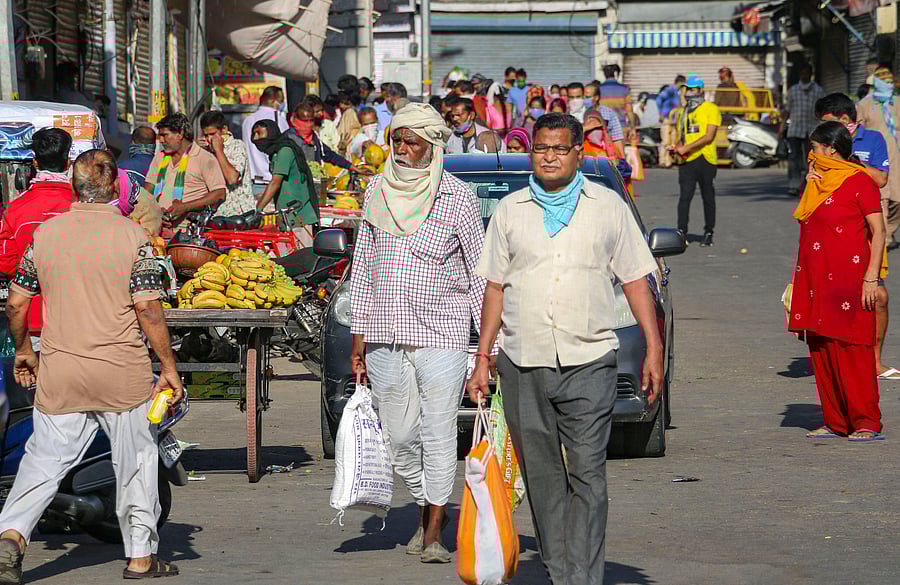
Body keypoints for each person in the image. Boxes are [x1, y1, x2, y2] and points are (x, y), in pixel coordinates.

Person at [467, 112, 662, 585]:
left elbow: (637, 278)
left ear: (579, 153)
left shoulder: (607, 207)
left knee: (589, 471)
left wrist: (654, 348)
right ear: (530, 152)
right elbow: (495, 287)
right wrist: (483, 356)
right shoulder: (511, 210)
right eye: (541, 148)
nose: (549, 156)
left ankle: (585, 576)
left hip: (590, 358)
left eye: (559, 148)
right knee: (543, 475)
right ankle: (560, 572)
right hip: (523, 361)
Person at [0, 149, 183, 583]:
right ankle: (140, 558)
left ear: (73, 186)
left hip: (62, 368)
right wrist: (169, 367)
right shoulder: (132, 237)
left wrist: (24, 350)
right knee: (136, 460)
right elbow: (149, 311)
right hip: (122, 371)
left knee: (43, 460)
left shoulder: (46, 235)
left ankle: (11, 536)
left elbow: (17, 301)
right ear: (116, 186)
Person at [349, 102, 489, 564]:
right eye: (397, 141)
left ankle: (432, 528)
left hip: (442, 333)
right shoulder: (375, 190)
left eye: (413, 142)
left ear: (433, 146)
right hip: (384, 332)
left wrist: (487, 351)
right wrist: (358, 340)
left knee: (438, 429)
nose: (403, 150)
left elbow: (479, 275)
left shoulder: (458, 197)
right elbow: (362, 268)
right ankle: (431, 501)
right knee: (400, 436)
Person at [789, 121, 886, 441]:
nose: (811, 155)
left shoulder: (859, 181)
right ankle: (835, 420)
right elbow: (805, 220)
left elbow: (879, 230)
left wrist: (871, 277)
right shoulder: (817, 182)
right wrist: (812, 185)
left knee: (853, 348)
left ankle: (866, 421)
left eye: (815, 149)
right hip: (817, 278)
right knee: (822, 346)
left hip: (851, 279)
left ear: (831, 150)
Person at [0, 128, 75, 343]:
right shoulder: (83, 207)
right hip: (80, 320)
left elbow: (6, 264)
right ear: (68, 163)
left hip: (32, 320)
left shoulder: (15, 209)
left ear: (35, 163)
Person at [143, 113, 226, 230]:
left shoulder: (204, 158)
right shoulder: (160, 157)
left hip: (188, 231)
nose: (160, 140)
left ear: (180, 134)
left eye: (164, 135)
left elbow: (219, 194)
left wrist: (185, 207)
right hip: (157, 227)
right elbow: (148, 189)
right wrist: (154, 210)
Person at [251, 120, 319, 248]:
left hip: (298, 216)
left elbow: (275, 183)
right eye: (254, 134)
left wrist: (258, 209)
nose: (255, 138)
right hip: (286, 216)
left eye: (259, 133)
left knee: (301, 258)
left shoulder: (285, 151)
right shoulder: (276, 153)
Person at [672, 75, 721, 246]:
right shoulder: (684, 111)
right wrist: (676, 147)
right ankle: (681, 232)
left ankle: (708, 232)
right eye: (687, 89)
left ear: (700, 90)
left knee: (708, 196)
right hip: (687, 160)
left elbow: (709, 136)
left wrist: (687, 147)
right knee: (685, 197)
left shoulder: (711, 109)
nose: (689, 93)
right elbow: (682, 136)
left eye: (692, 89)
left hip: (705, 158)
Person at [857, 67, 900, 245]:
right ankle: (881, 236)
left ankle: (889, 230)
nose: (889, 86)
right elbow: (858, 130)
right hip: (874, 157)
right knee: (880, 197)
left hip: (896, 155)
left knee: (897, 199)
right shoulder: (865, 104)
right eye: (886, 82)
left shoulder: (897, 102)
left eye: (891, 82)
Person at [197, 111, 255, 217]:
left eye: (213, 134)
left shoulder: (237, 146)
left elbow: (232, 179)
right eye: (206, 135)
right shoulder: (206, 151)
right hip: (216, 214)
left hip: (239, 215)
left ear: (224, 130)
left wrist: (218, 150)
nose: (209, 139)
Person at [783, 64, 826, 196]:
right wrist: (782, 127)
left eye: (807, 73)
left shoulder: (818, 90)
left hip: (812, 130)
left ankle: (811, 183)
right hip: (795, 129)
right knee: (794, 158)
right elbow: (787, 110)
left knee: (812, 158)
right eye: (802, 73)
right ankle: (794, 185)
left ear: (810, 74)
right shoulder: (793, 90)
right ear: (799, 75)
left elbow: (823, 110)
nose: (804, 75)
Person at [242, 86, 289, 197]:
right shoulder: (278, 119)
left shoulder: (247, 120)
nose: (282, 104)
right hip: (272, 182)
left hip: (252, 182)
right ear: (274, 101)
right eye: (281, 101)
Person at [599, 65, 634, 130]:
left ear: (604, 74)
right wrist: (633, 128)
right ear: (616, 74)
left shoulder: (598, 89)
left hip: (603, 127)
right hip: (620, 126)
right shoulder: (624, 89)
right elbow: (629, 111)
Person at [336, 90, 362, 157]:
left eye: (345, 103)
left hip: (347, 148)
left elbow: (346, 134)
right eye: (341, 102)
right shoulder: (348, 112)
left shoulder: (349, 113)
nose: (341, 105)